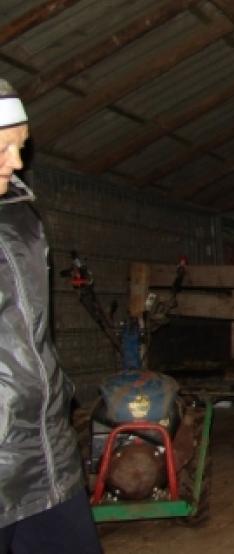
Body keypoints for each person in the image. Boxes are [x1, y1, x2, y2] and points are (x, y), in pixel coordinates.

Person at [0, 79, 102, 553]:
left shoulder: (21, 214)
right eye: (3, 148)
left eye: (20, 147)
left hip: (46, 450)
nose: (17, 163)